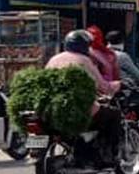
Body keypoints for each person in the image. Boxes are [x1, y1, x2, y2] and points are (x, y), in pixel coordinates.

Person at [47, 31, 123, 161]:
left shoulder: (54, 59)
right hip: (78, 107)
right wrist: (118, 85)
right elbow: (103, 87)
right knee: (114, 115)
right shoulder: (84, 60)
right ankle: (110, 154)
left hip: (53, 107)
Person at [106, 30, 139, 133]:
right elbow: (137, 75)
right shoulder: (122, 56)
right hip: (122, 92)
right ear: (122, 42)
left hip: (104, 92)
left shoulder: (100, 54)